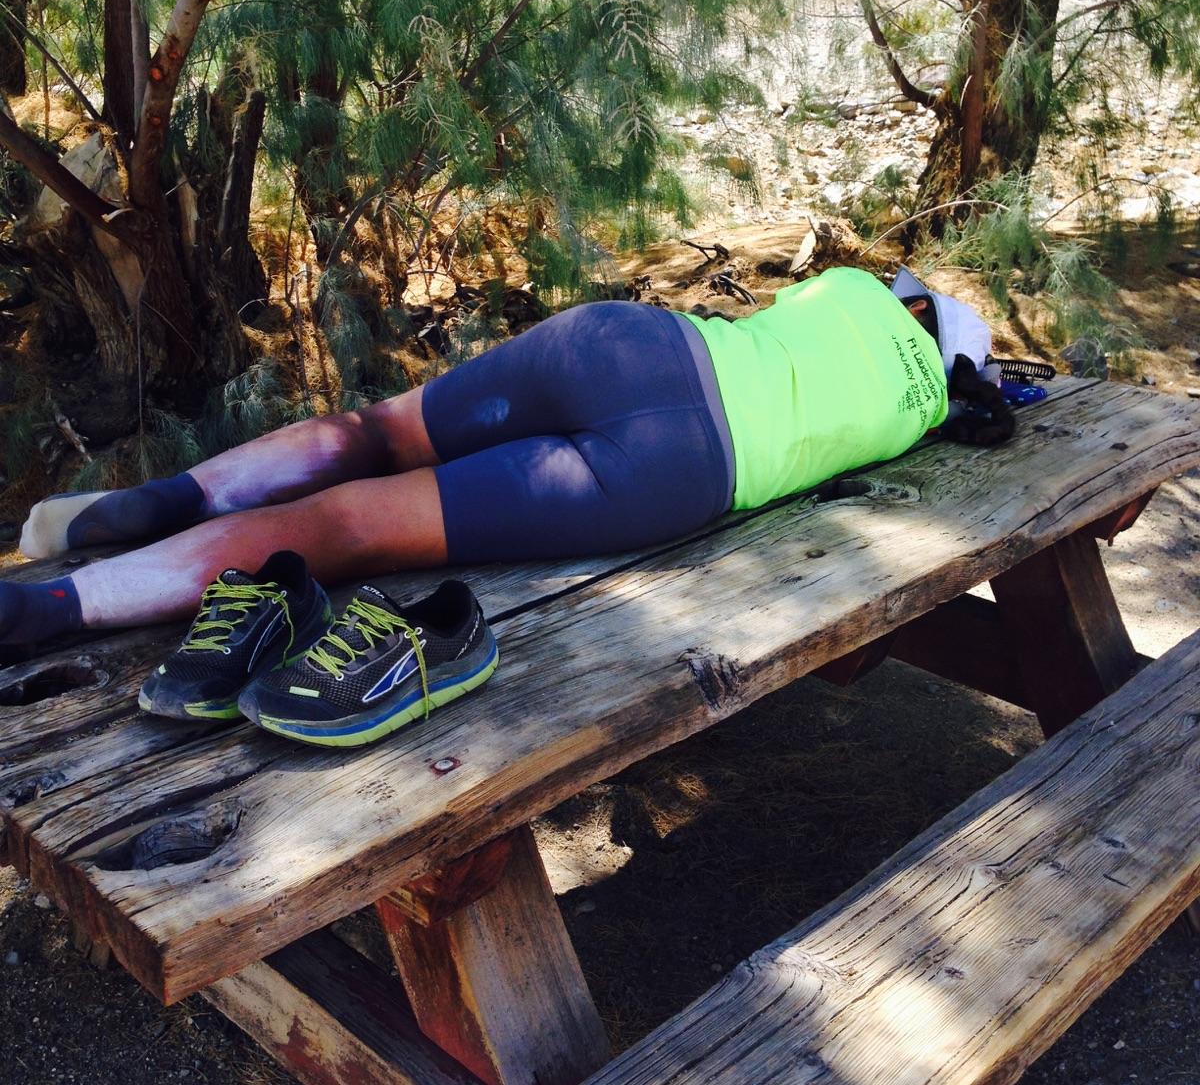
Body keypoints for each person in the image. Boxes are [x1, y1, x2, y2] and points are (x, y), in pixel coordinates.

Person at [1, 264, 1006, 656]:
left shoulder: (847, 288)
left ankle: (160, 497)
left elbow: (832, 302)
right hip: (677, 463)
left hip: (633, 343)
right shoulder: (921, 414)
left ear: (909, 300)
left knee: (369, 431)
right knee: (352, 528)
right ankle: (53, 610)